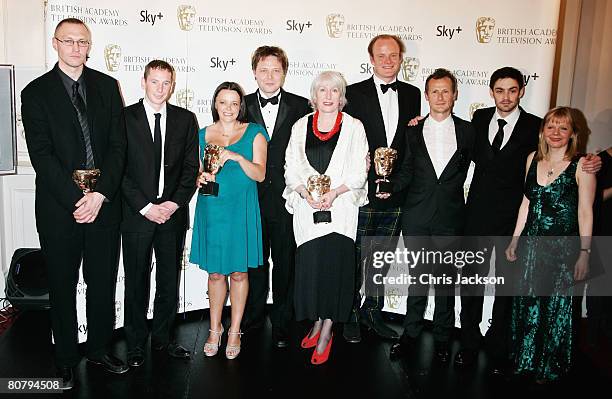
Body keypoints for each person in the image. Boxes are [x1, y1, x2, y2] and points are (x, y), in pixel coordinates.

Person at [458, 67, 601, 373]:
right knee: (471, 285)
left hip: (514, 222)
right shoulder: (479, 118)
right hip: (478, 218)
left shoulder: (538, 126)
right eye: (499, 90)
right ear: (491, 91)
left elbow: (563, 157)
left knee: (507, 292)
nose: (506, 96)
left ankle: (498, 348)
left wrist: (593, 159)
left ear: (521, 91)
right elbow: (459, 146)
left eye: (512, 90)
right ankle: (468, 344)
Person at [21, 18, 127, 389]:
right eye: (69, 41)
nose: (76, 48)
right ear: (55, 43)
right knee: (63, 286)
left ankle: (99, 349)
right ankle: (65, 357)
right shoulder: (35, 92)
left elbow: (118, 147)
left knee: (101, 284)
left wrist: (99, 195)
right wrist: (76, 199)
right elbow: (42, 156)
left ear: (89, 45)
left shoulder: (107, 87)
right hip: (58, 208)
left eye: (83, 42)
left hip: (104, 206)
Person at [389, 68, 475, 363]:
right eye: (434, 91)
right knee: (417, 279)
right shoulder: (412, 130)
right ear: (426, 96)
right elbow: (407, 171)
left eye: (445, 91)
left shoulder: (468, 131)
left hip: (450, 217)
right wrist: (387, 186)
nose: (440, 97)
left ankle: (442, 338)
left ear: (455, 95)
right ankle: (410, 335)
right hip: (417, 215)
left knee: (445, 282)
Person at [505, 106, 596, 384]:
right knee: (527, 302)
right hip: (531, 247)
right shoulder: (532, 158)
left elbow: (585, 212)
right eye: (551, 127)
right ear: (543, 130)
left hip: (563, 250)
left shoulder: (583, 166)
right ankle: (525, 359)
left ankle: (548, 365)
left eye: (563, 128)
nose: (556, 133)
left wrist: (585, 253)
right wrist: (515, 240)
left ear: (572, 134)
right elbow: (527, 202)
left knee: (555, 307)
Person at [284, 71, 368, 364]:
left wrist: (334, 193)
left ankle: (328, 328)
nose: (329, 96)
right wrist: (304, 193)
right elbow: (290, 168)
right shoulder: (299, 126)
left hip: (341, 208)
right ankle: (318, 320)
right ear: (314, 96)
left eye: (335, 90)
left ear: (342, 96)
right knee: (313, 269)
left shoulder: (355, 127)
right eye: (323, 90)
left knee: (335, 269)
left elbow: (359, 172)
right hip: (308, 212)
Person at [343, 34, 421, 343]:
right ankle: (348, 312)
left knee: (381, 257)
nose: (388, 61)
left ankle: (371, 312)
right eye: (382, 55)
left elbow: (410, 144)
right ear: (371, 59)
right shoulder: (353, 93)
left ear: (401, 58)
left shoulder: (414, 94)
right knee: (355, 253)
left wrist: (397, 183)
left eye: (394, 55)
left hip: (397, 191)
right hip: (361, 191)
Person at [120, 60, 198, 367]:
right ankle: (136, 343)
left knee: (168, 280)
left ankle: (164, 339)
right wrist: (146, 206)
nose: (161, 88)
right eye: (155, 82)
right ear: (143, 81)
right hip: (137, 215)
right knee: (137, 280)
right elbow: (119, 169)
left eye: (167, 83)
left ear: (173, 85)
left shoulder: (185, 119)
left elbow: (191, 168)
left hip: (172, 214)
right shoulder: (124, 118)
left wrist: (173, 204)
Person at [190, 82, 269, 359]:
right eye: (223, 102)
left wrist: (235, 156)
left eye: (234, 103)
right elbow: (199, 172)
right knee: (215, 273)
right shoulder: (201, 134)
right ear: (215, 104)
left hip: (241, 210)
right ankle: (215, 329)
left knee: (239, 273)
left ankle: (234, 329)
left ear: (241, 106)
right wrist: (200, 177)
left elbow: (260, 174)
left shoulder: (255, 132)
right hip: (212, 209)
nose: (228, 108)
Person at [243, 46, 310, 348]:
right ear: (254, 71)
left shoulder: (301, 106)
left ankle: (283, 321)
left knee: (286, 261)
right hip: (249, 196)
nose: (270, 76)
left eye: (276, 70)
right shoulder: (239, 105)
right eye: (264, 70)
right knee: (255, 262)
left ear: (284, 72)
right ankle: (253, 318)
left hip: (287, 199)